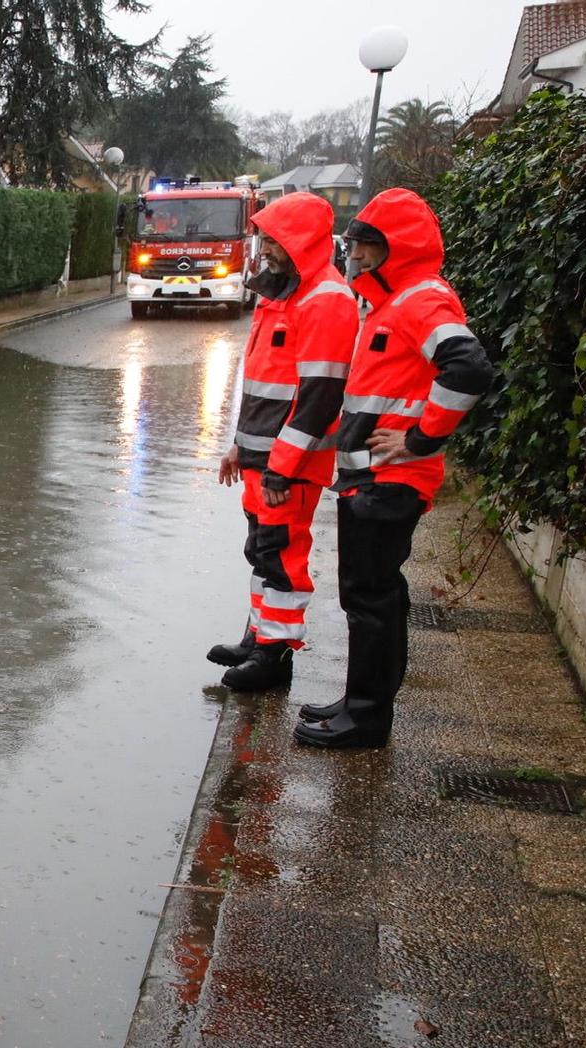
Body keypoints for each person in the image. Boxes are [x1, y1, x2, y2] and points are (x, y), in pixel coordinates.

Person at [294, 188, 494, 749]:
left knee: (371, 598)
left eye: (364, 247)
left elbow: (469, 368)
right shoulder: (391, 302)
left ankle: (367, 717)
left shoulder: (419, 300)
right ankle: (360, 701)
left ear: (394, 248)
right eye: (352, 245)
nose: (353, 256)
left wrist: (421, 438)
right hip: (371, 478)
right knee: (371, 597)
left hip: (390, 481)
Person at [209, 191, 358, 691]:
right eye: (264, 237)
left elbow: (318, 399)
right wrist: (239, 446)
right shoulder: (285, 295)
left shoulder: (325, 301)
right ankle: (259, 637)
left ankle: (275, 655)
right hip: (262, 459)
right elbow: (262, 387)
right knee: (262, 550)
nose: (265, 247)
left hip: (286, 466)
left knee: (282, 554)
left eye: (273, 238)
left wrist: (282, 467)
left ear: (299, 242)